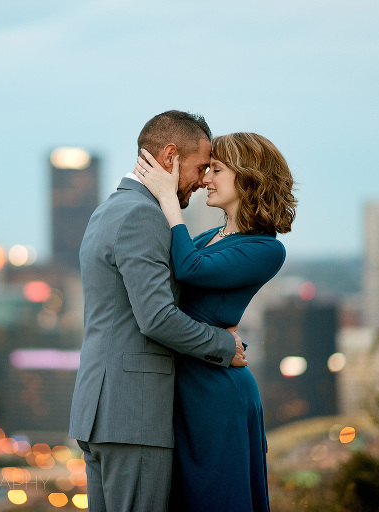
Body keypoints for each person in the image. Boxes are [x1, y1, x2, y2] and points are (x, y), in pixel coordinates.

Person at [69, 111, 249, 512]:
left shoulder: (109, 210)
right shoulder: (143, 215)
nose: (203, 181)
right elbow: (156, 318)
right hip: (133, 414)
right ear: (170, 156)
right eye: (201, 167)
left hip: (102, 412)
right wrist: (225, 344)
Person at [135, 132, 297, 512]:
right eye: (207, 169)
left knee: (216, 497)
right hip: (191, 382)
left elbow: (189, 269)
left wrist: (166, 197)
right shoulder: (211, 235)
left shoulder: (266, 249)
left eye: (217, 170)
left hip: (217, 394)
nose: (206, 178)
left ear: (248, 177)